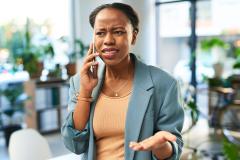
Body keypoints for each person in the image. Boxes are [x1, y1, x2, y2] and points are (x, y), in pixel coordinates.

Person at [61, 2, 184, 160]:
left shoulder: (164, 84)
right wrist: (85, 92)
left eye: (118, 32)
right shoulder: (79, 82)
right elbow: (74, 145)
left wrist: (160, 146)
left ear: (133, 35)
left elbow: (173, 151)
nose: (108, 40)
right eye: (100, 33)